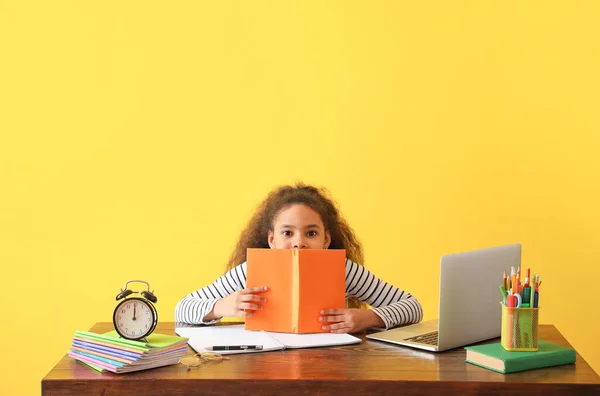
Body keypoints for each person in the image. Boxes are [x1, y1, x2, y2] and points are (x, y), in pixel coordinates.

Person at [174, 183, 423, 333]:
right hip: (264, 366)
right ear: (272, 240)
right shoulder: (250, 271)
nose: (299, 242)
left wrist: (370, 317)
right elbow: (182, 308)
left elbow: (413, 306)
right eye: (287, 233)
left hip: (330, 366)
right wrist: (220, 307)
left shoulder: (344, 270)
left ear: (326, 240)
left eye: (311, 233)